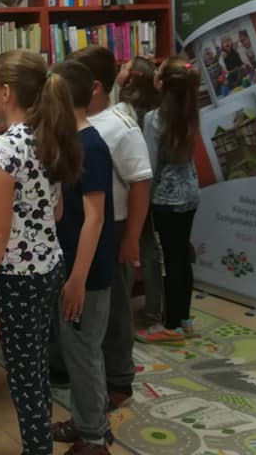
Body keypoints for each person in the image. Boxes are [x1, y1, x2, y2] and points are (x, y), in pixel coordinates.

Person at [0, 51, 81, 455]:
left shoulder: (3, 148)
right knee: (35, 367)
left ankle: (36, 448)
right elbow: (54, 209)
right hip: (49, 266)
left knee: (24, 377)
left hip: (16, 278)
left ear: (6, 92)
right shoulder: (48, 134)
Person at [71, 47, 153, 411]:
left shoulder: (120, 126)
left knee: (117, 306)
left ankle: (119, 379)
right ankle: (92, 373)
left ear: (94, 86)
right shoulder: (78, 121)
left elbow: (140, 182)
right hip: (88, 226)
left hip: (115, 228)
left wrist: (131, 237)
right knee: (92, 307)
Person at [48, 61, 115, 455]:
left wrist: (77, 278)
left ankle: (92, 438)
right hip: (72, 263)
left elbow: (95, 218)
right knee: (78, 351)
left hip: (86, 272)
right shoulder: (72, 141)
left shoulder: (92, 146)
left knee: (84, 351)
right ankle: (89, 420)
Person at [138, 58, 202, 343]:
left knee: (169, 262)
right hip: (190, 194)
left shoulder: (154, 119)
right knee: (182, 257)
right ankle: (184, 318)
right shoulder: (191, 112)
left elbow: (151, 166)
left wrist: (142, 203)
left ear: (161, 84)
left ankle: (171, 325)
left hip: (165, 198)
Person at [116, 57, 165, 326]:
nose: (119, 70)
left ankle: (152, 308)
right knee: (147, 249)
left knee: (143, 248)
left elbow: (146, 165)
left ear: (132, 79)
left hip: (141, 193)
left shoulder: (135, 116)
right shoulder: (148, 109)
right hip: (146, 191)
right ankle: (154, 305)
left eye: (124, 68)